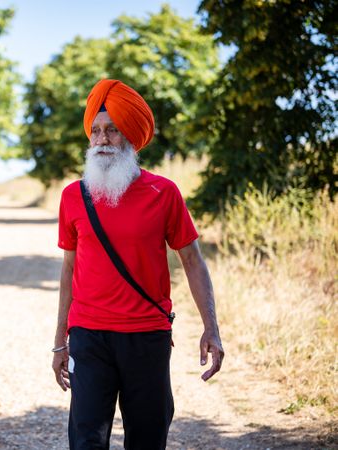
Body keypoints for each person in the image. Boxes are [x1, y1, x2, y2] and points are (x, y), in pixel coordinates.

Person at [51, 79, 224, 450]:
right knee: (86, 440)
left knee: (147, 438)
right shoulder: (73, 196)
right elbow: (68, 270)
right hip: (89, 335)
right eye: (96, 131)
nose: (101, 139)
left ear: (130, 136)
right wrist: (59, 341)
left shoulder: (164, 193)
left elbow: (192, 261)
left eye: (112, 130)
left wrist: (211, 327)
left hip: (147, 335)